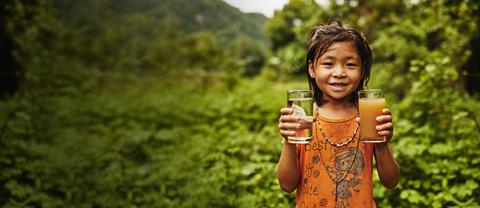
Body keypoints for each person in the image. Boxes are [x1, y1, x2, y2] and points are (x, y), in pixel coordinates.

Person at [277, 21, 400, 208]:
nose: (339, 73)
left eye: (350, 64)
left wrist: (382, 144)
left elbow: (391, 182)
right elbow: (287, 185)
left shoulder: (368, 116)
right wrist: (288, 141)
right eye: (328, 64)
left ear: (363, 70)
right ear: (312, 68)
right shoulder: (303, 119)